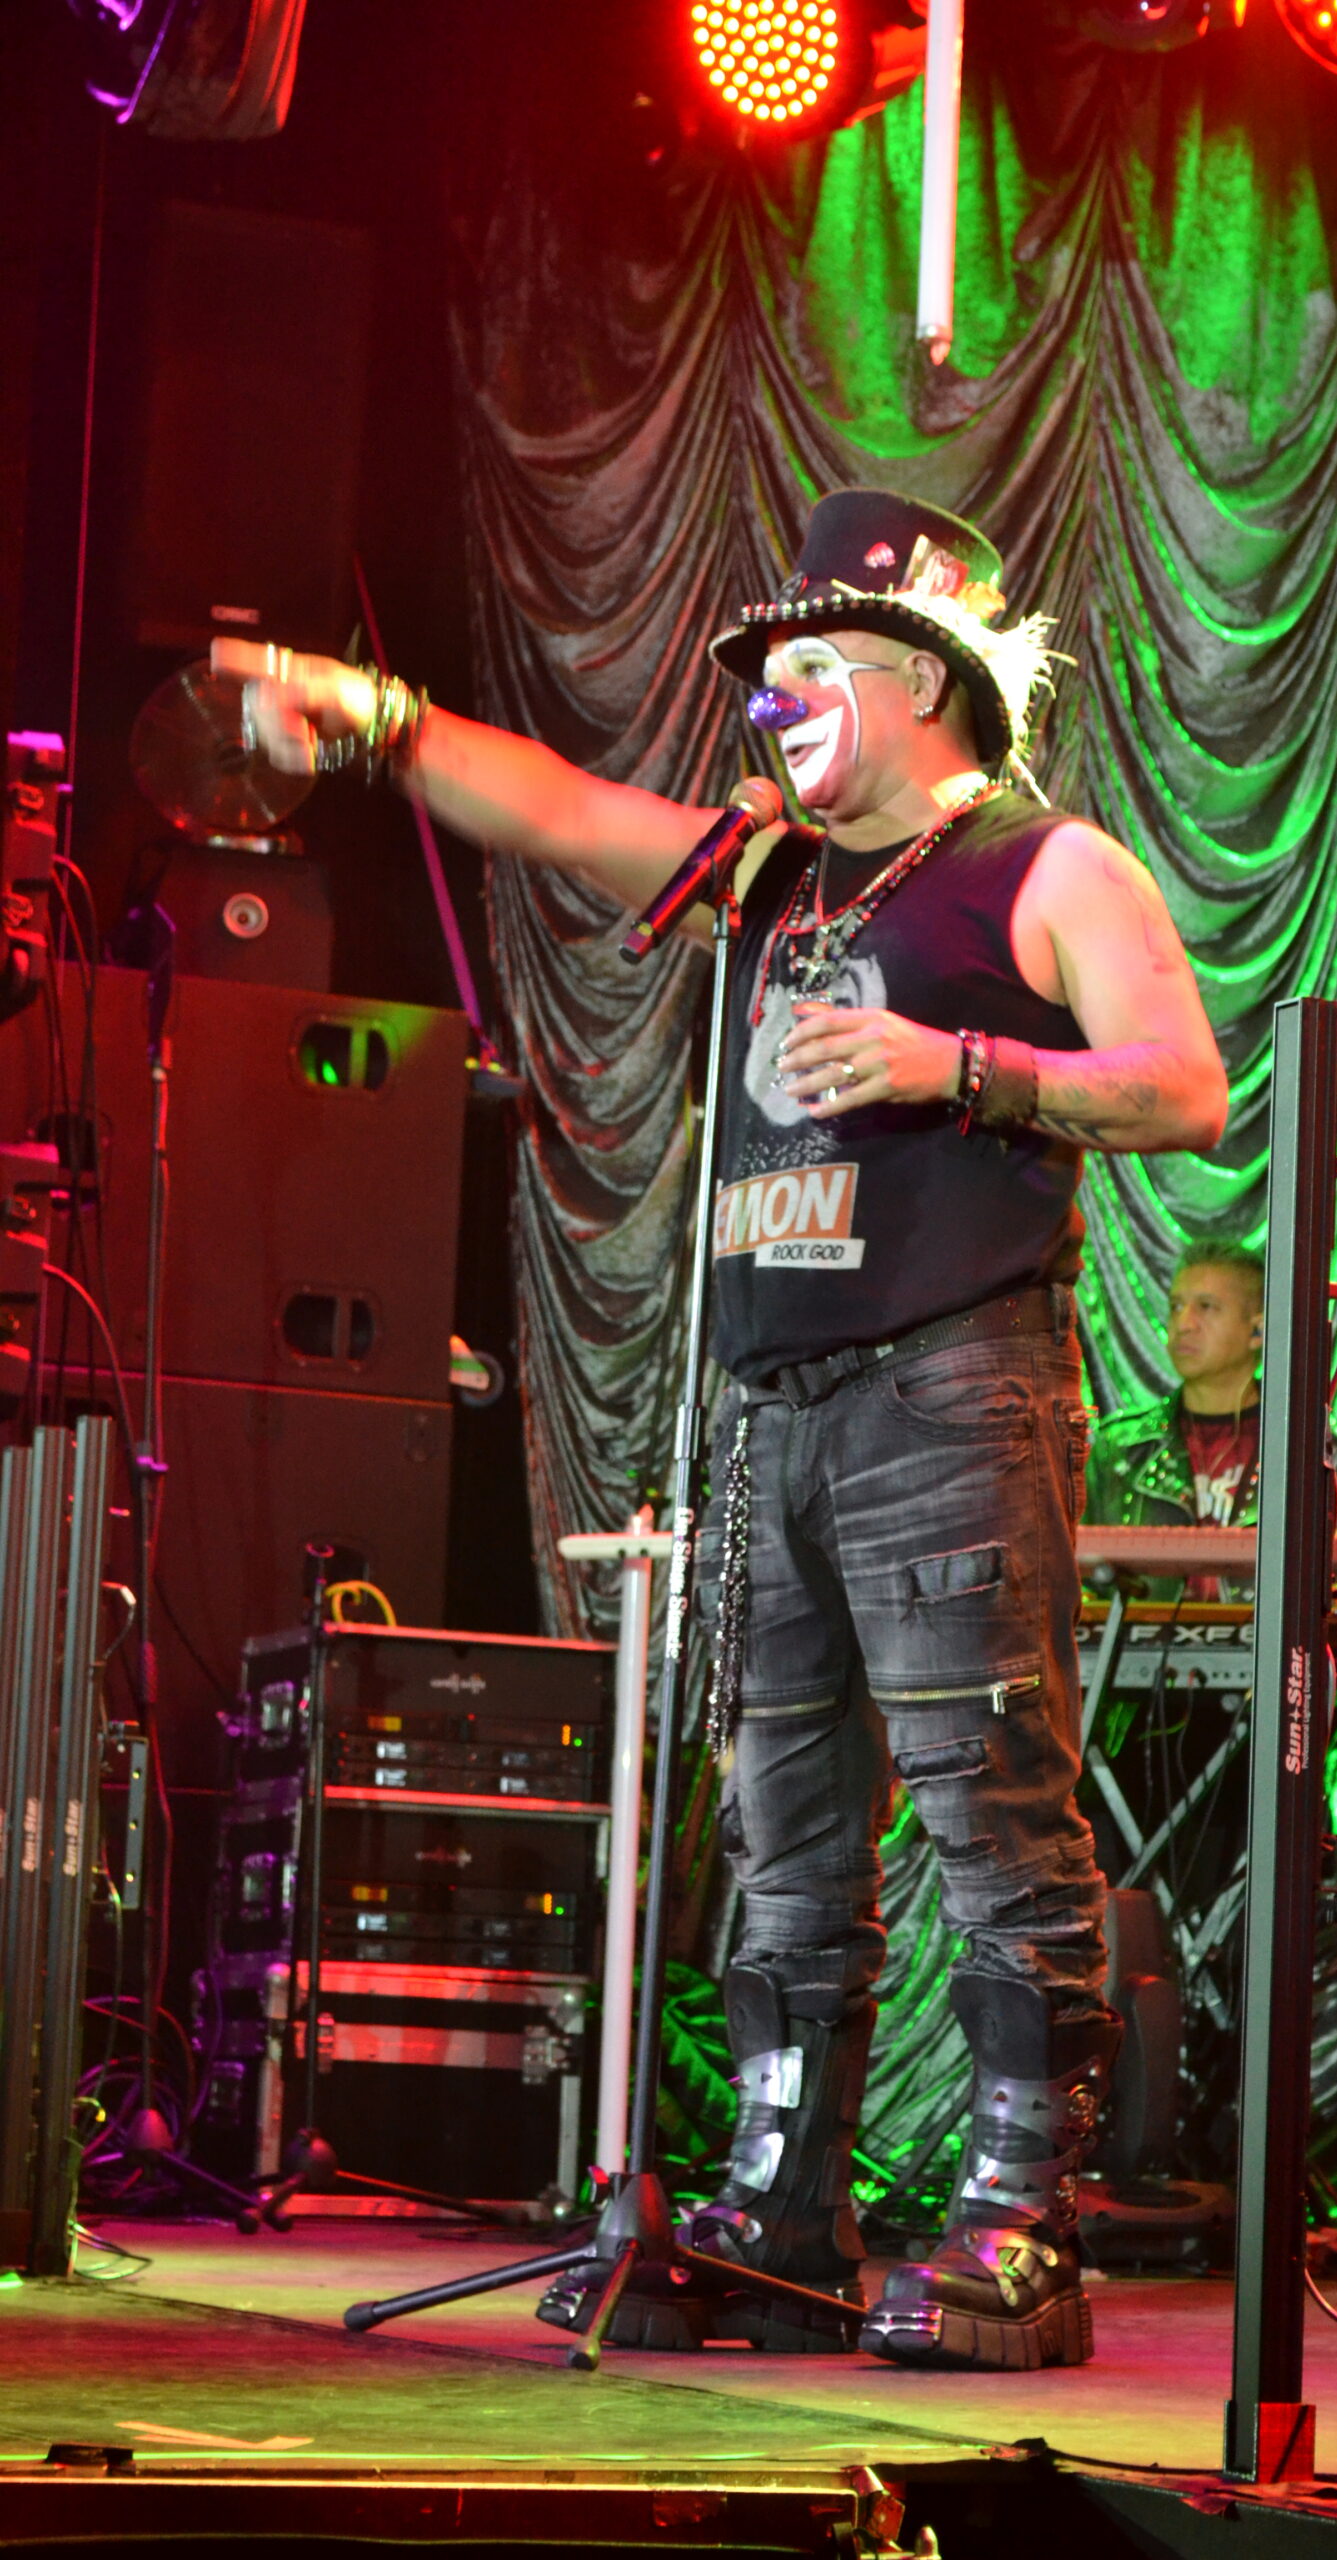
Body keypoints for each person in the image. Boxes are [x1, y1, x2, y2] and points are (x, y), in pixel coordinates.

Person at [217, 488, 1227, 2372]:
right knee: (782, 1838)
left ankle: (1017, 2226)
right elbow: (559, 810)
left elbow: (1184, 1088)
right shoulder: (770, 872)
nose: (773, 703)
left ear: (923, 677)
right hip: (774, 1405)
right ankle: (783, 2215)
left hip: (950, 1384)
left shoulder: (1044, 866)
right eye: (768, 677)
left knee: (988, 1814)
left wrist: (955, 1064)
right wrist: (376, 718)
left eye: (811, 667)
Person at [1084, 1240, 1337, 1579]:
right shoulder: (1121, 1449)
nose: (1183, 1323)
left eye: (1206, 1307)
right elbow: (1085, 1578)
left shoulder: (1318, 1451)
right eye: (1176, 1306)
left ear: (1257, 1330)